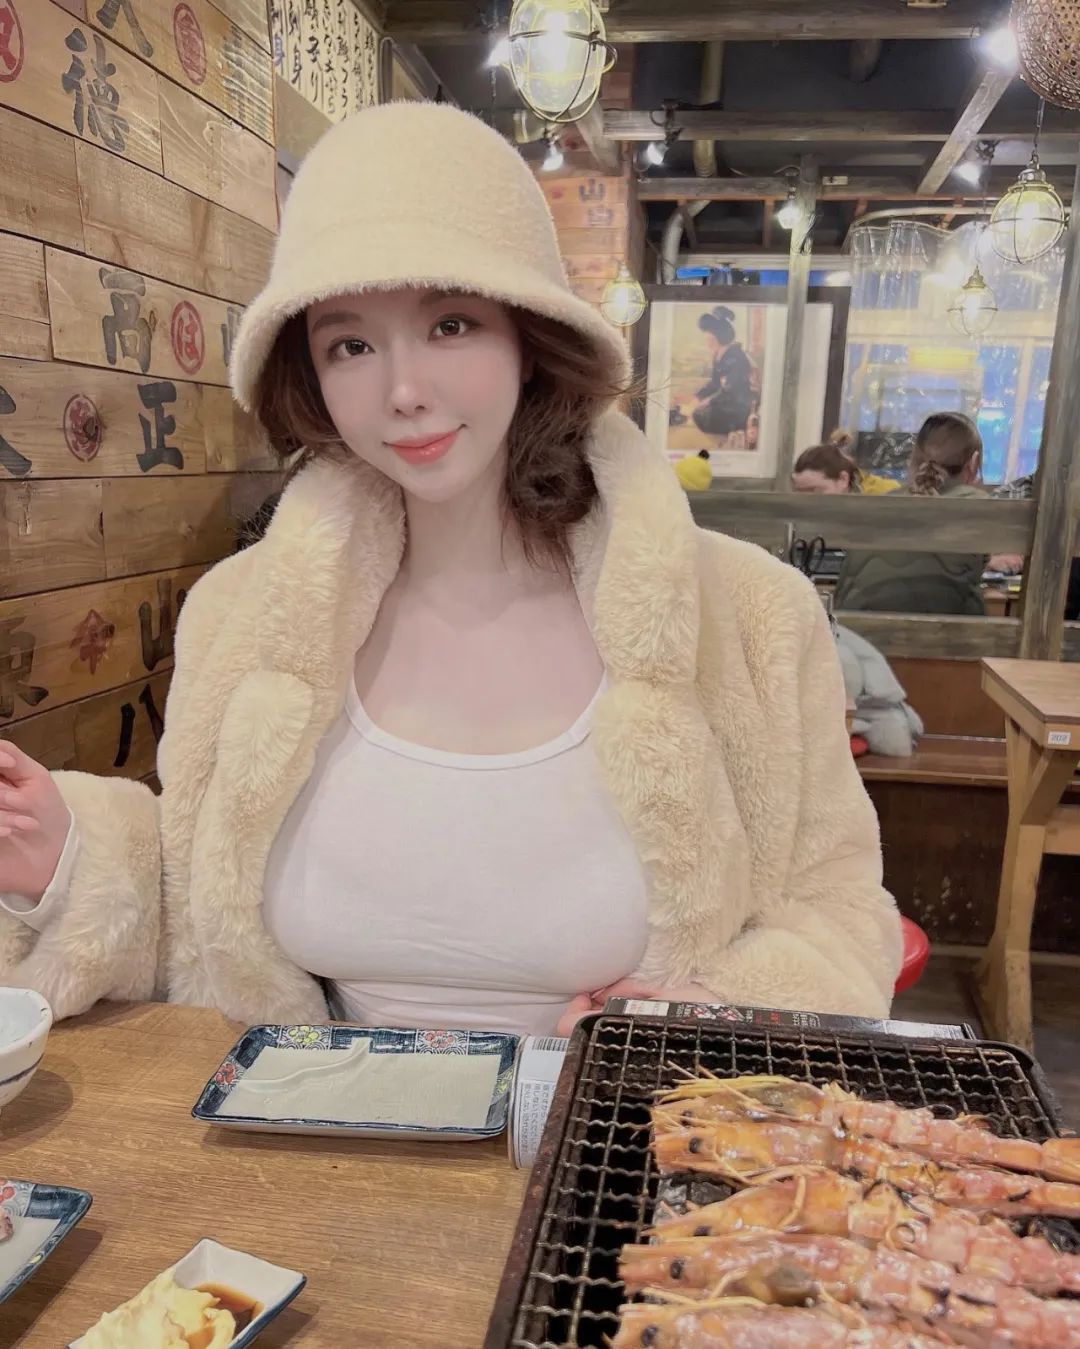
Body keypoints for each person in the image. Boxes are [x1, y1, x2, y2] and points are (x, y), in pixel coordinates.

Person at [0, 103, 900, 1035]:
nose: (402, 390)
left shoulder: (750, 614)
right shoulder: (242, 614)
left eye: (451, 324)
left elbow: (839, 910)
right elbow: (202, 919)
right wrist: (68, 856)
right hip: (312, 1119)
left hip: (620, 1121)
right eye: (350, 344)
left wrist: (702, 1013)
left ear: (529, 339)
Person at [833, 412, 988, 615]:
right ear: (973, 463)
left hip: (855, 631)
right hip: (942, 632)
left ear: (912, 457)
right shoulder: (976, 507)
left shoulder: (881, 503)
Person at [690, 306, 755, 438]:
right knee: (697, 412)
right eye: (708, 339)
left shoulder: (736, 357)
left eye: (711, 340)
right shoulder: (719, 356)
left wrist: (708, 401)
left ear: (720, 339)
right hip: (725, 400)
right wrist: (698, 396)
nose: (708, 343)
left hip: (737, 406)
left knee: (702, 415)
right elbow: (714, 383)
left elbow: (730, 390)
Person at [792, 431, 900, 496]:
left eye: (817, 492)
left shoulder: (887, 495)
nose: (807, 501)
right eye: (800, 494)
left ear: (843, 479)